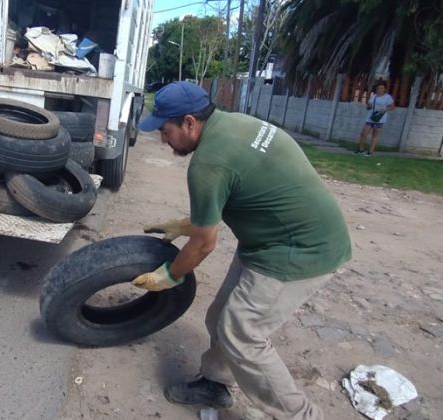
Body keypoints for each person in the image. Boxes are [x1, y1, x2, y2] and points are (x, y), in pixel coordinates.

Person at [131, 81, 352, 420]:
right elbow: (242, 193)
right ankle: (215, 384)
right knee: (219, 317)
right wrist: (184, 224)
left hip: (300, 249)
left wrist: (169, 276)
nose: (163, 139)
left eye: (165, 129)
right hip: (273, 238)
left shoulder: (208, 164)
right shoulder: (236, 123)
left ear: (189, 122)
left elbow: (205, 244)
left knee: (241, 333)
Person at [356, 82, 395, 156]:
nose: (380, 90)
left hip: (380, 118)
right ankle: (361, 149)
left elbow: (392, 107)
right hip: (371, 117)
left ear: (384, 89)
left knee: (375, 134)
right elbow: (368, 106)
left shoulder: (387, 97)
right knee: (364, 133)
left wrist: (385, 109)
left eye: (382, 88)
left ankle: (370, 152)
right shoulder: (374, 96)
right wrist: (369, 106)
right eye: (378, 88)